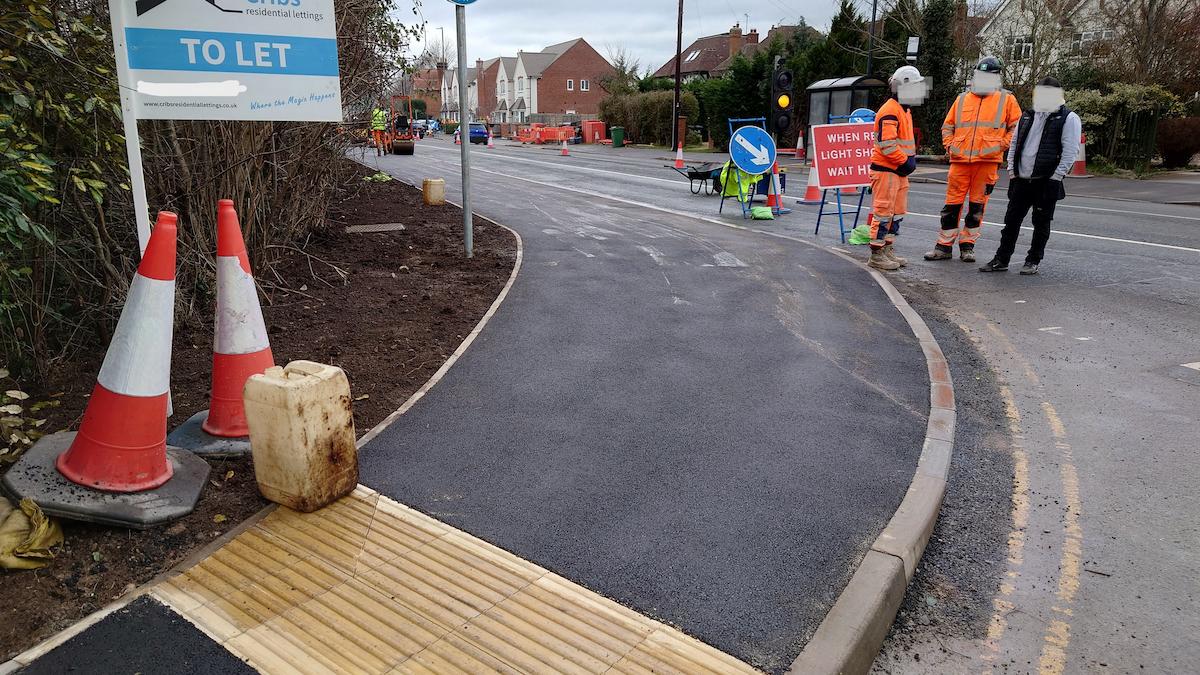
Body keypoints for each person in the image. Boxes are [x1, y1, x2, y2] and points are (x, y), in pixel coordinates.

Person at [980, 77, 1081, 275]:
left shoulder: (1068, 118)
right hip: (1021, 179)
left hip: (1046, 180)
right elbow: (1015, 143)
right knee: (1011, 221)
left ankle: (1033, 260)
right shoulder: (1027, 116)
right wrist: (1012, 171)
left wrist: (1056, 177)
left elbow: (1070, 151)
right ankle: (1002, 259)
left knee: (1041, 223)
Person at [925, 57, 1022, 263]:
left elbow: (1016, 128)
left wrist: (1001, 145)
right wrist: (950, 146)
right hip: (960, 162)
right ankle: (943, 246)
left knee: (977, 207)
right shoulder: (962, 99)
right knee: (952, 206)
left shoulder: (1007, 100)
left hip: (986, 163)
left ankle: (967, 246)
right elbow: (947, 126)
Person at [866, 65, 927, 271]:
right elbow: (887, 144)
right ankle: (876, 253)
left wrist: (905, 162)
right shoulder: (890, 111)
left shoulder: (903, 110)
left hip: (897, 170)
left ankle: (886, 248)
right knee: (883, 212)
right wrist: (905, 161)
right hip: (887, 170)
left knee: (897, 212)